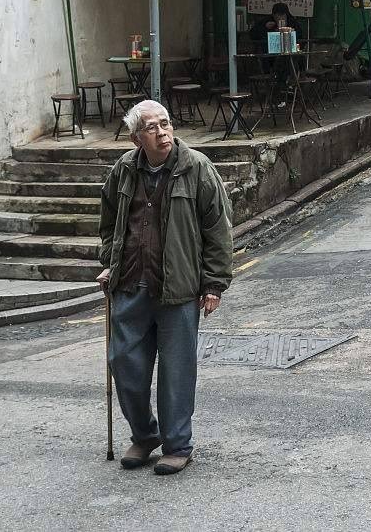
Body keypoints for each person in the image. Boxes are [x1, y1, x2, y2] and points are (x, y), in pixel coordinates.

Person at [97, 100, 233, 476]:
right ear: (136, 137)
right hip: (130, 284)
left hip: (178, 287)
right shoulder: (124, 170)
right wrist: (110, 261)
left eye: (166, 123)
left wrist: (214, 283)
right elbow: (108, 222)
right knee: (124, 363)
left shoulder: (197, 168)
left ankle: (178, 445)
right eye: (152, 127)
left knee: (176, 371)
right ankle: (145, 435)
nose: (162, 132)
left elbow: (217, 230)